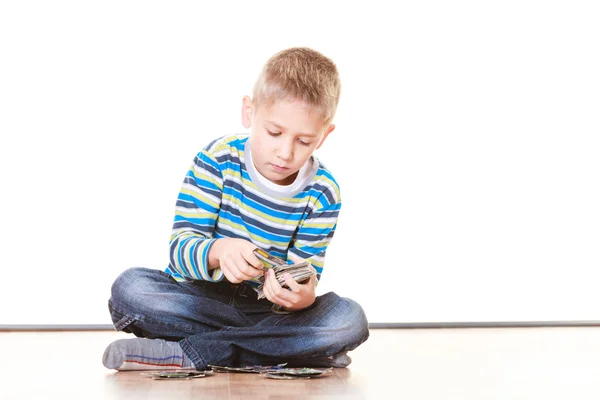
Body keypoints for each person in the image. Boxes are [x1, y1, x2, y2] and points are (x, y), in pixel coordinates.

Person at [102, 47, 369, 372]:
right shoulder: (217, 160)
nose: (285, 152)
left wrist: (303, 298)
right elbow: (180, 251)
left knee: (348, 319)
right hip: (199, 299)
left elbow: (306, 273)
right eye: (274, 132)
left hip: (266, 312)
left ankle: (188, 354)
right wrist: (218, 251)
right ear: (249, 112)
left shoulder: (324, 192)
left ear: (324, 136)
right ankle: (286, 350)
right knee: (131, 289)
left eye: (303, 141)